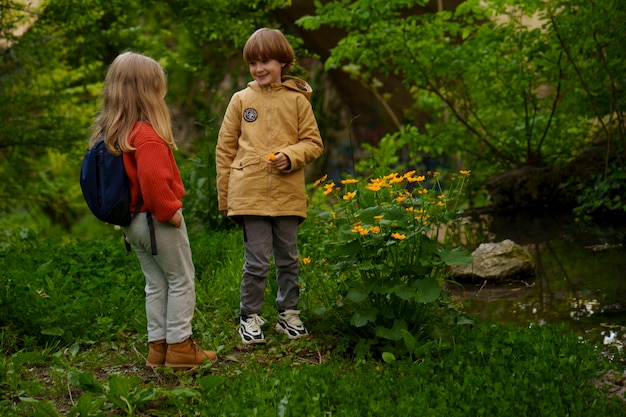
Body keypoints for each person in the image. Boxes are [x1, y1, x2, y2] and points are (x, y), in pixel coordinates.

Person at [89, 51, 216, 369]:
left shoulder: (113, 133)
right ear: (148, 92)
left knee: (156, 284)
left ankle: (158, 349)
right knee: (182, 279)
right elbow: (154, 182)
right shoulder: (146, 134)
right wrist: (171, 212)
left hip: (132, 224)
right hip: (157, 220)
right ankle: (181, 348)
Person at [216, 28, 324, 344]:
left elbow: (313, 143)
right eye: (253, 63)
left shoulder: (298, 101)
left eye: (265, 61)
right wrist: (226, 198)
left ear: (282, 62)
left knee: (289, 257)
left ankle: (288, 314)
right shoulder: (240, 100)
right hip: (248, 194)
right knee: (257, 261)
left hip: (288, 195)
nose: (259, 69)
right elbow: (224, 150)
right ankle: (249, 317)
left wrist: (290, 156)